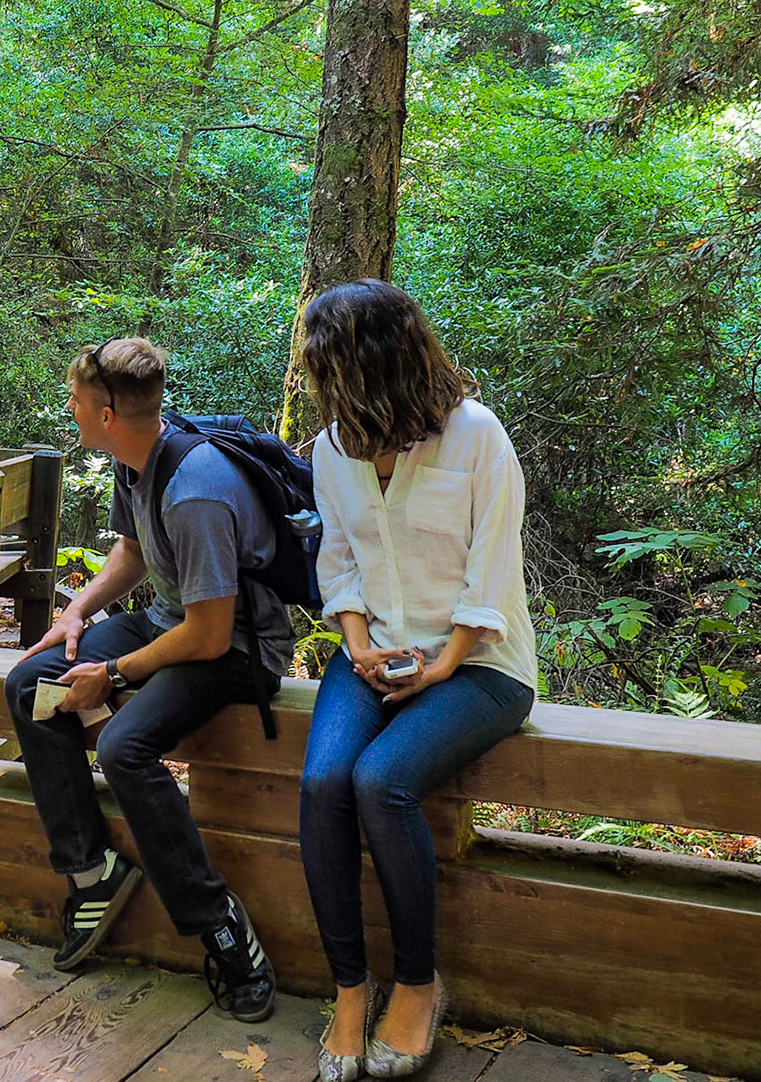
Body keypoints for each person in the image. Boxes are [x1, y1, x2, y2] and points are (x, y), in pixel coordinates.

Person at [296, 280, 537, 1080]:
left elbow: (493, 571)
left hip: (481, 665)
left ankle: (418, 982)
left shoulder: (476, 437)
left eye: (328, 365)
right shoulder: (334, 447)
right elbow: (339, 559)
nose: (318, 381)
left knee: (381, 779)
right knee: (325, 779)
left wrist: (443, 663)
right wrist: (358, 644)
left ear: (375, 362)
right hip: (378, 653)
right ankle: (350, 989)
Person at [4, 339, 285, 1023]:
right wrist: (79, 610)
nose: (68, 410)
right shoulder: (137, 463)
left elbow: (211, 635)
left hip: (237, 648)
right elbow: (131, 552)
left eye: (75, 401)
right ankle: (91, 872)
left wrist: (114, 672)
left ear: (105, 415)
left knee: (124, 746)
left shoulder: (196, 490)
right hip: (166, 622)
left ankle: (218, 923)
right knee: (28, 685)